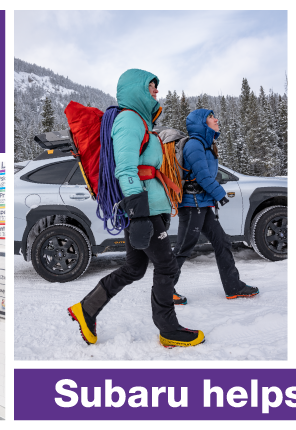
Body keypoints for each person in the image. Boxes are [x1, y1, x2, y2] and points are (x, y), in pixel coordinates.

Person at [68, 69, 204, 348]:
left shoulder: (139, 120)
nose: (156, 91)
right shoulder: (129, 120)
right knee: (166, 266)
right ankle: (168, 329)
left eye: (156, 87)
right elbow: (126, 168)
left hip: (149, 206)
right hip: (144, 208)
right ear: (137, 89)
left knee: (134, 268)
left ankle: (87, 309)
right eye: (151, 87)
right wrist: (138, 212)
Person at [171, 109, 260, 303]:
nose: (216, 119)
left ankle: (233, 286)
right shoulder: (194, 144)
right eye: (211, 117)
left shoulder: (206, 144)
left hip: (201, 203)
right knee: (184, 247)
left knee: (222, 242)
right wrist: (220, 194)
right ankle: (164, 289)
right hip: (192, 204)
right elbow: (202, 176)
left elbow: (206, 173)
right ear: (202, 122)